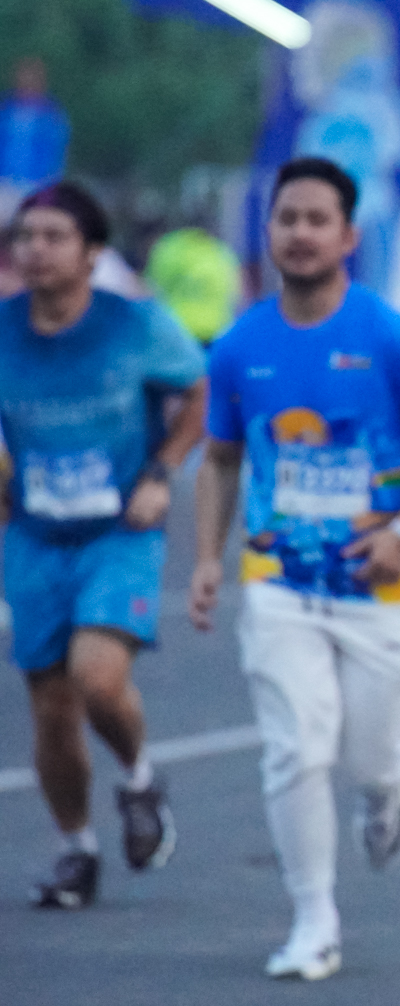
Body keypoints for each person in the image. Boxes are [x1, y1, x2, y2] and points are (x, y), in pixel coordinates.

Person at [188, 156, 400, 981]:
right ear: (268, 231)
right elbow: (220, 459)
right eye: (287, 218)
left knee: (368, 755)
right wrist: (207, 559)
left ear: (348, 237)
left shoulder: (390, 337)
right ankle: (313, 918)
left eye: (318, 220)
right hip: (279, 582)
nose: (301, 233)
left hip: (382, 586)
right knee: (295, 749)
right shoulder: (240, 346)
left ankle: (385, 790)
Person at [0, 182, 207, 909]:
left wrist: (161, 472)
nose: (36, 250)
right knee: (51, 709)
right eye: (26, 236)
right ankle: (77, 849)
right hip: (34, 536)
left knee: (97, 677)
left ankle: (140, 777)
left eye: (54, 236)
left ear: (92, 253)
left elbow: (198, 393)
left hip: (120, 532)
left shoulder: (134, 325)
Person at [144, 224, 242, 347]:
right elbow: (235, 294)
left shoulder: (169, 249)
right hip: (215, 332)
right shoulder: (221, 252)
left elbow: (152, 290)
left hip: (177, 331)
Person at [0, 60, 70, 206]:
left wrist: (49, 184)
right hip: (5, 181)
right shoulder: (6, 110)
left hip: (37, 183)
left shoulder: (52, 115)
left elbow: (56, 152)